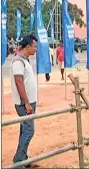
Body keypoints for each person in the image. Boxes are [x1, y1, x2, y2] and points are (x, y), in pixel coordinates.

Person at [10, 34, 39, 167]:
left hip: (29, 102)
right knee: (29, 130)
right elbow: (19, 83)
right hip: (24, 104)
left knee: (24, 130)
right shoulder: (18, 61)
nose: (36, 49)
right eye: (34, 47)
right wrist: (27, 103)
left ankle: (23, 158)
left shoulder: (24, 60)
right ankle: (19, 159)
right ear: (27, 46)